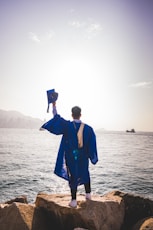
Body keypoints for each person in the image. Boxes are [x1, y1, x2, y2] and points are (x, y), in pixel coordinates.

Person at [41, 102, 98, 208]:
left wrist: (54, 105)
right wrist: (92, 156)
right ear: (80, 114)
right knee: (85, 172)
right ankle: (88, 195)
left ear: (72, 115)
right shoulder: (88, 129)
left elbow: (56, 118)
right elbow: (92, 144)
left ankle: (74, 201)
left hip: (71, 156)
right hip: (83, 156)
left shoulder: (67, 126)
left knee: (73, 176)